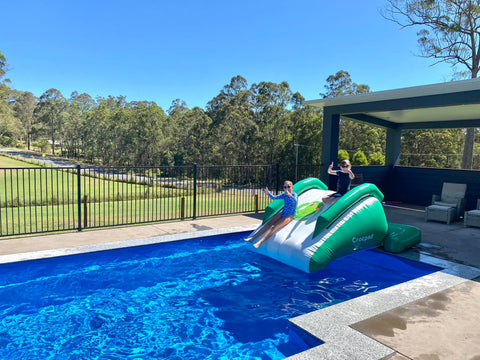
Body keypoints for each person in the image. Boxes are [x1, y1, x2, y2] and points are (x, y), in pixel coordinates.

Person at [245, 180, 298, 248]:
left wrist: (289, 194)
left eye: (288, 186)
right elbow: (274, 197)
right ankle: (253, 237)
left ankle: (260, 242)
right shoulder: (284, 195)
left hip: (289, 216)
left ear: (292, 187)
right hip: (283, 213)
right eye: (285, 187)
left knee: (274, 227)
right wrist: (268, 193)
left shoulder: (294, 195)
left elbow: (295, 201)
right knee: (268, 224)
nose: (287, 188)